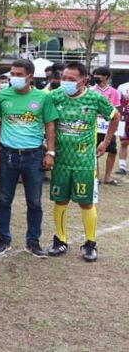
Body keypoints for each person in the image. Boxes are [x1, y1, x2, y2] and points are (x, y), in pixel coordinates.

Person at [48, 63, 119, 263]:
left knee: (86, 202)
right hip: (61, 161)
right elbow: (46, 121)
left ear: (84, 80)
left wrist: (105, 142)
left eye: (71, 79)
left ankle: (90, 243)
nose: (66, 82)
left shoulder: (95, 98)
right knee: (60, 201)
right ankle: (60, 240)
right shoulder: (55, 97)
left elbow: (115, 117)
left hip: (84, 163)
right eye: (64, 78)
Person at [0, 59, 58, 258]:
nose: (14, 78)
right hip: (8, 155)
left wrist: (50, 153)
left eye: (19, 74)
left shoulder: (43, 97)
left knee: (34, 202)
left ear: (30, 76)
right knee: (4, 200)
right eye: (12, 73)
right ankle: (3, 239)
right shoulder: (1, 96)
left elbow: (49, 125)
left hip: (33, 156)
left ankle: (33, 242)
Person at [90, 66, 120, 185]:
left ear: (106, 77)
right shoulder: (91, 91)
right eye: (95, 75)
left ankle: (108, 176)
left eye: (99, 75)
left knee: (112, 151)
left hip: (108, 126)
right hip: (95, 126)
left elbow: (116, 110)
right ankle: (96, 177)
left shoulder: (114, 92)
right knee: (94, 151)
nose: (96, 77)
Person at [117, 80, 129, 175]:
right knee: (124, 142)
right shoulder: (122, 87)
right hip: (124, 119)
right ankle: (122, 166)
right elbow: (117, 104)